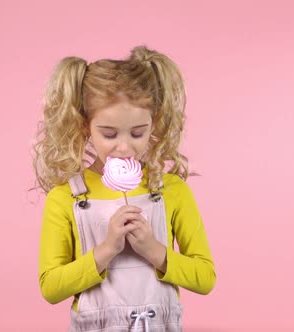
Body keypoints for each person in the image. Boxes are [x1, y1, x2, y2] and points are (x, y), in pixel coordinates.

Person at [33, 45, 216, 331]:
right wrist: (107, 249)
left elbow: (205, 278)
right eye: (108, 134)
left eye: (138, 133)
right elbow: (51, 287)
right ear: (85, 127)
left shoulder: (170, 189)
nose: (124, 146)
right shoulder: (66, 197)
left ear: (152, 124)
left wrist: (154, 250)